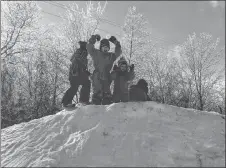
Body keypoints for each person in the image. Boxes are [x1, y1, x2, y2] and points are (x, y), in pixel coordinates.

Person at [86, 34, 122, 105]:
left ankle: (107, 97)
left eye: (107, 48)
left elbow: (118, 52)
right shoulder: (96, 53)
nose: (105, 49)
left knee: (106, 87)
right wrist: (93, 39)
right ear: (101, 47)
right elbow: (89, 47)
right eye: (104, 47)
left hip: (106, 75)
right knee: (97, 87)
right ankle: (97, 97)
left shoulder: (111, 56)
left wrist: (117, 44)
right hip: (97, 74)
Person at [62, 41, 91, 108]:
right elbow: (75, 60)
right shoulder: (79, 52)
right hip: (75, 73)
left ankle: (83, 100)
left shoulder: (84, 55)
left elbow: (82, 66)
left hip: (80, 73)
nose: (86, 54)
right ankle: (66, 102)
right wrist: (75, 70)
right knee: (75, 87)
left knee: (86, 83)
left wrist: (86, 72)